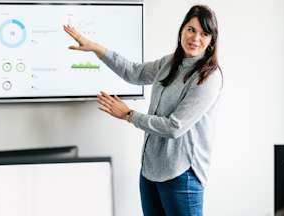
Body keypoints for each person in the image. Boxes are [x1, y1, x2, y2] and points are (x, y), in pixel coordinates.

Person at [64, 4, 222, 216]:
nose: (195, 38)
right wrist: (96, 48)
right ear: (182, 31)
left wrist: (129, 115)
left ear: (211, 41)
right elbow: (134, 73)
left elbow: (175, 126)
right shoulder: (169, 63)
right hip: (150, 171)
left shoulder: (208, 78)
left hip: (181, 174)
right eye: (191, 30)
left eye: (204, 34)